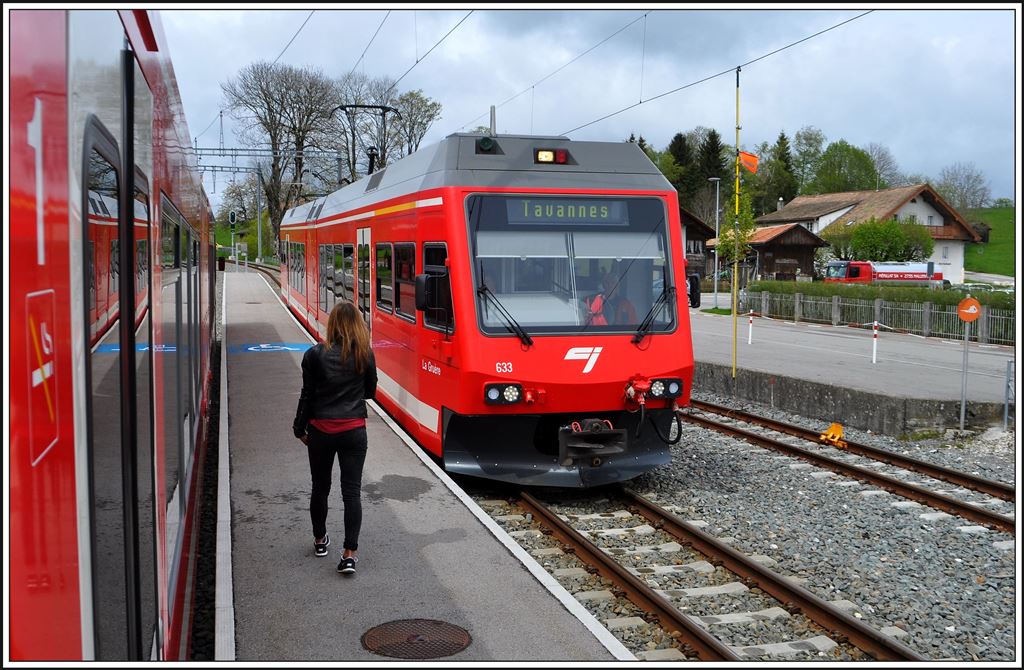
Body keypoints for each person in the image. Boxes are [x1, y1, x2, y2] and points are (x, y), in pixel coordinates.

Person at [292, 301, 377, 575]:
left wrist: (299, 428)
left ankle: (319, 541)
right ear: (358, 325)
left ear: (332, 324)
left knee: (320, 487)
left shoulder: (314, 354)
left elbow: (307, 395)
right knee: (351, 492)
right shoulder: (365, 354)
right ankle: (349, 554)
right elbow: (370, 392)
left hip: (321, 431)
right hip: (353, 430)